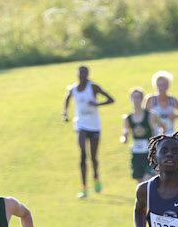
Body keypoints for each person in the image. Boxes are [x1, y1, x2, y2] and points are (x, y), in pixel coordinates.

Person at [62, 64, 114, 197]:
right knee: (83, 155)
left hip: (94, 126)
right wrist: (65, 113)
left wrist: (97, 104)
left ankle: (96, 177)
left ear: (88, 74)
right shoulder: (73, 89)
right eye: (80, 73)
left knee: (93, 157)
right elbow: (67, 98)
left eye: (84, 73)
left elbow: (110, 99)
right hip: (80, 125)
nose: (82, 76)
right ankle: (83, 187)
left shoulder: (93, 87)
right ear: (77, 74)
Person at [122, 88, 155, 181]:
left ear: (142, 99)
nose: (136, 100)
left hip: (149, 153)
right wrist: (124, 137)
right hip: (136, 153)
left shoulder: (150, 115)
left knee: (147, 179)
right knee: (139, 182)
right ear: (130, 99)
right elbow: (125, 133)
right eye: (134, 97)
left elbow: (162, 126)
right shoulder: (127, 118)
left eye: (138, 97)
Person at [147, 70, 178, 140]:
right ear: (155, 85)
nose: (161, 88)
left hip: (170, 134)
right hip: (154, 135)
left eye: (164, 85)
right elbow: (143, 117)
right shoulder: (150, 100)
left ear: (168, 85)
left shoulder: (173, 100)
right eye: (159, 85)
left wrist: (176, 116)